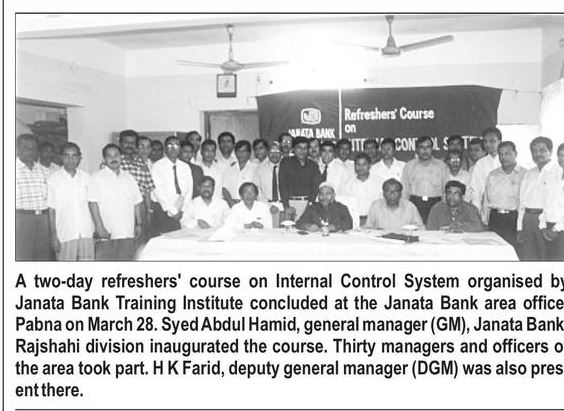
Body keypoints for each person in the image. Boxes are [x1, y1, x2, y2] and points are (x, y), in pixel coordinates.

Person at [88, 144, 143, 260]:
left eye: (116, 155)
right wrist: (100, 228)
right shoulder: (96, 177)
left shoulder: (129, 178)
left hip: (127, 232)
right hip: (106, 234)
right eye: (109, 156)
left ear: (121, 157)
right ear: (104, 159)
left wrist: (139, 223)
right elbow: (93, 204)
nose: (113, 158)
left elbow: (137, 202)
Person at [47, 142, 94, 261]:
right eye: (66, 156)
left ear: (79, 158)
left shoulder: (87, 177)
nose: (70, 160)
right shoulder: (53, 179)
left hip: (86, 231)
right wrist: (53, 236)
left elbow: (92, 205)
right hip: (65, 233)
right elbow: (51, 210)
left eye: (74, 156)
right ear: (61, 157)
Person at [483, 141, 526, 254]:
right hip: (495, 218)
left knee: (515, 252)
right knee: (495, 253)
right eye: (501, 154)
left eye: (507, 153)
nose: (503, 157)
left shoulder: (525, 174)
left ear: (515, 154)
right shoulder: (493, 175)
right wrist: (485, 221)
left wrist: (520, 227)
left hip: (514, 218)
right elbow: (486, 200)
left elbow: (524, 203)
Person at [517, 136, 555, 260]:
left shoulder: (558, 172)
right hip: (528, 220)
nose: (538, 154)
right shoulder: (529, 174)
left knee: (548, 259)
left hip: (548, 221)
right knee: (529, 258)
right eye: (534, 151)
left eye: (542, 150)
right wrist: (519, 228)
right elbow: (522, 203)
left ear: (550, 151)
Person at [16, 133, 51, 260]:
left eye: (34, 148)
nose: (30, 152)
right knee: (22, 257)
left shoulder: (45, 171)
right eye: (26, 148)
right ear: (18, 149)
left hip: (44, 219)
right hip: (21, 219)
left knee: (43, 257)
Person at [401, 135, 449, 224]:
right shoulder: (409, 166)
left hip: (436, 204)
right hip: (415, 204)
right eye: (422, 147)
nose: (425, 150)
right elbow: (404, 191)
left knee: (434, 230)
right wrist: (404, 209)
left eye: (428, 147)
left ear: (432, 149)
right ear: (416, 149)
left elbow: (445, 191)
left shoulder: (442, 166)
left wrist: (444, 209)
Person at [151, 136, 193, 234]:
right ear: (165, 148)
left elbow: (189, 190)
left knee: (180, 238)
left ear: (180, 148)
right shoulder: (157, 166)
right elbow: (158, 191)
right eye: (170, 145)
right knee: (163, 239)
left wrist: (182, 210)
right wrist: (173, 211)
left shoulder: (185, 167)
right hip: (163, 210)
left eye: (176, 145)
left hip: (181, 210)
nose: (173, 148)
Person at [119, 129, 156, 239]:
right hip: (121, 206)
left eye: (132, 143)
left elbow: (147, 189)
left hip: (141, 206)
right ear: (120, 143)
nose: (129, 145)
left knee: (141, 239)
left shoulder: (142, 163)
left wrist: (149, 210)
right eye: (126, 142)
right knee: (124, 239)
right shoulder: (115, 163)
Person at [279, 136, 322, 221]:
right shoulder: (286, 162)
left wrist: (310, 204)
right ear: (293, 149)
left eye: (305, 148)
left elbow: (316, 186)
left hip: (308, 203)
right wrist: (286, 206)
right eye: (299, 148)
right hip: (290, 203)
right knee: (289, 228)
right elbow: (282, 185)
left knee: (307, 228)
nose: (302, 151)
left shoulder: (313, 165)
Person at [469, 127, 502, 218]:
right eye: (485, 141)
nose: (488, 144)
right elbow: (475, 192)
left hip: (506, 208)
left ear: (500, 142)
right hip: (485, 209)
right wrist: (477, 213)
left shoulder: (505, 162)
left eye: (492, 141)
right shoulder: (480, 164)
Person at [342, 153, 384, 225]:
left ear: (369, 165)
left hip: (375, 221)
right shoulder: (347, 185)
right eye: (358, 164)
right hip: (354, 221)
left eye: (364, 164)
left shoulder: (379, 182)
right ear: (354, 166)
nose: (361, 167)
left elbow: (383, 204)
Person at [540, 142, 564, 260]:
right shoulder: (552, 174)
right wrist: (543, 226)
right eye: (561, 155)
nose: (563, 159)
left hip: (560, 228)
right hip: (550, 228)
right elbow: (546, 202)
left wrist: (556, 229)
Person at [253, 142, 283, 227]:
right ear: (267, 152)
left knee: (284, 233)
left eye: (277, 151)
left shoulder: (287, 167)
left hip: (284, 205)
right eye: (272, 151)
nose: (274, 154)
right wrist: (268, 206)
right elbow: (257, 190)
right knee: (267, 231)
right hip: (266, 206)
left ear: (281, 153)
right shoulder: (260, 168)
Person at [222, 140, 258, 206]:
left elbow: (258, 189)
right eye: (238, 151)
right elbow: (224, 188)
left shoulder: (255, 168)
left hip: (250, 204)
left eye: (244, 151)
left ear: (249, 153)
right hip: (231, 204)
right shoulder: (230, 168)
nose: (241, 154)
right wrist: (231, 202)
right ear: (235, 153)